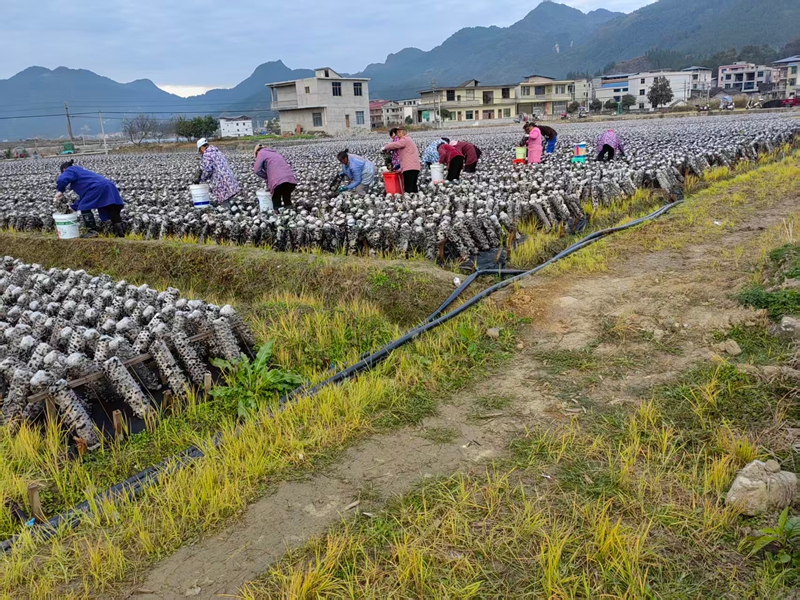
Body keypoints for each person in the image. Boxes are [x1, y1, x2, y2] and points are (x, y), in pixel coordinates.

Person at [55, 160, 125, 238]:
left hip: (97, 187)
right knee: (111, 207)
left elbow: (62, 179)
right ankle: (120, 233)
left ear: (64, 170)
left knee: (85, 207)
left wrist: (60, 191)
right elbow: (85, 197)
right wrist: (73, 207)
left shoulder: (71, 169)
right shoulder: (82, 173)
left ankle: (92, 231)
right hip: (109, 185)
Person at [195, 138, 241, 206]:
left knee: (224, 200)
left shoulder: (207, 155)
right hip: (229, 178)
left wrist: (201, 179)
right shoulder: (217, 151)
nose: (200, 153)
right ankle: (235, 209)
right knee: (229, 197)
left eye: (199, 150)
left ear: (202, 148)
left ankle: (230, 210)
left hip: (221, 181)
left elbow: (208, 170)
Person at [382, 126, 421, 193]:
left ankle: (410, 198)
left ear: (402, 133)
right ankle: (415, 197)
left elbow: (395, 144)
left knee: (408, 188)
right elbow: (407, 157)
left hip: (409, 168)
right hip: (414, 167)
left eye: (398, 132)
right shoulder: (409, 139)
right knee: (413, 187)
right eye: (397, 132)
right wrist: (398, 166)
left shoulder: (404, 139)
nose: (397, 134)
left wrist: (385, 147)